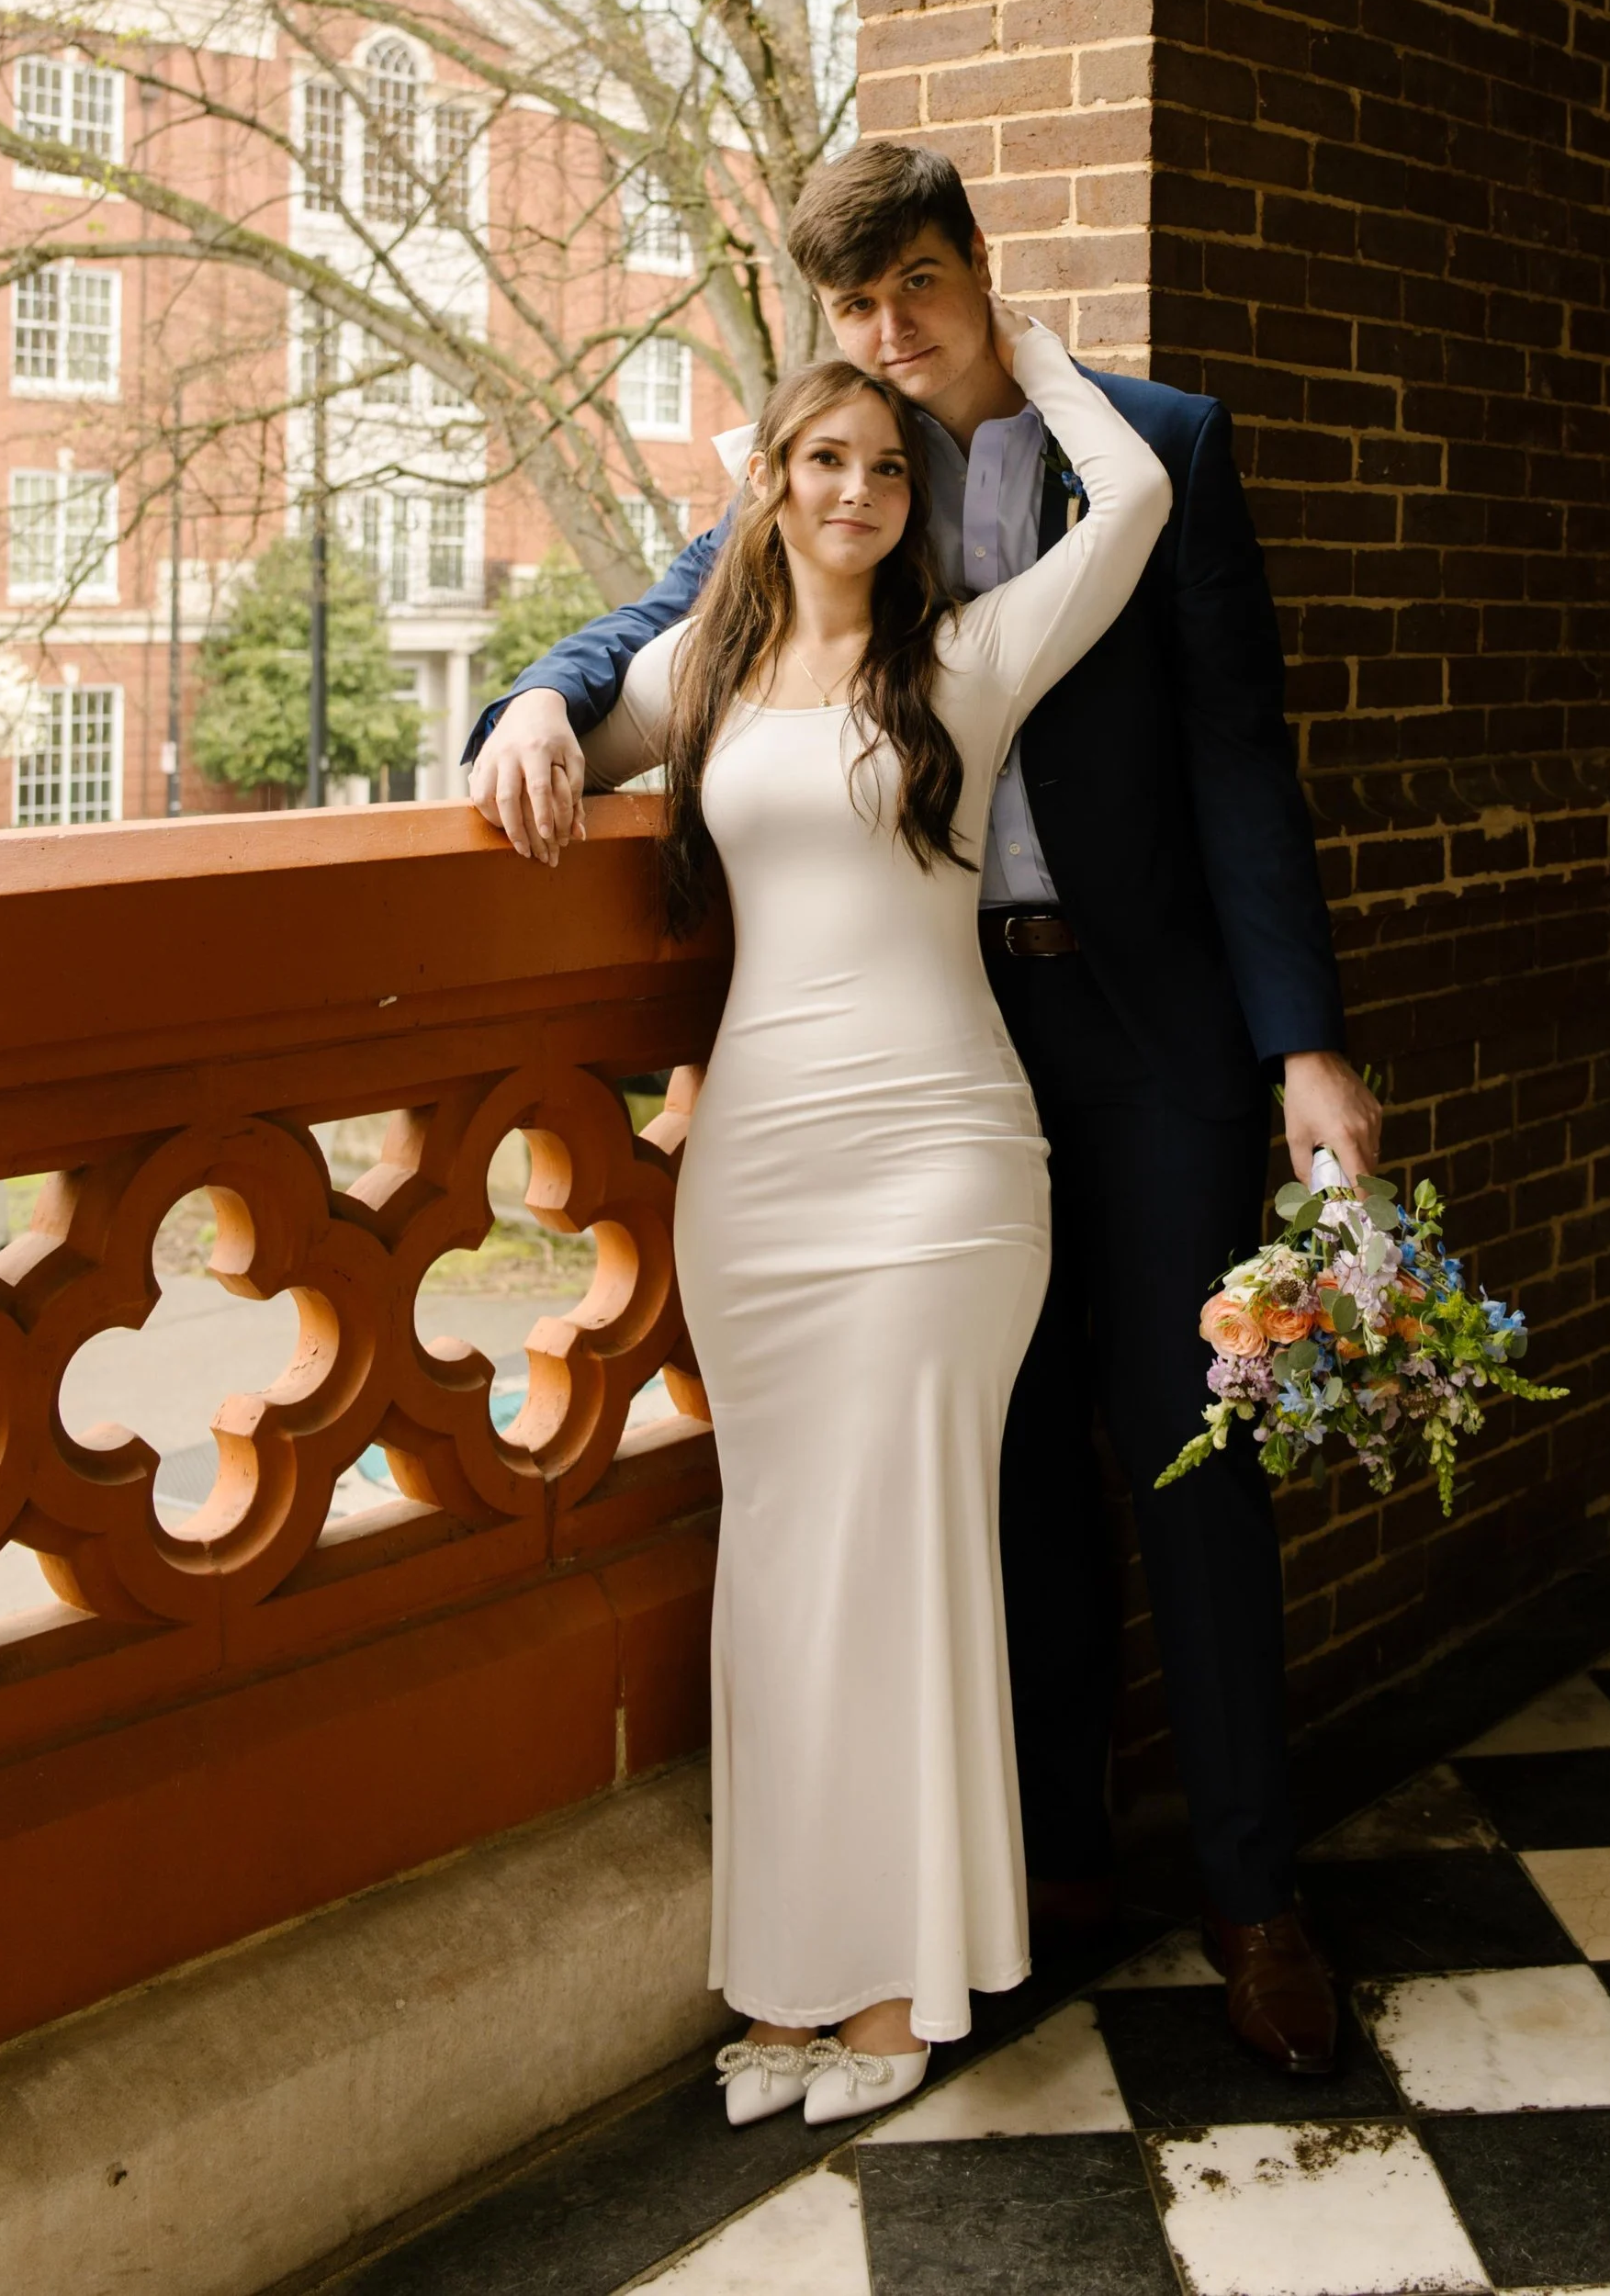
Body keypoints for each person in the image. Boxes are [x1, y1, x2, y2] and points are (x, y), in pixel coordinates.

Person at [467, 143, 1381, 2074]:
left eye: (917, 292)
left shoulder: (1152, 448)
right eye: (854, 313)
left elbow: (1236, 761)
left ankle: (1252, 1900)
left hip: (1126, 1035)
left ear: (976, 263)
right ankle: (1037, 1872)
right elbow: (666, 628)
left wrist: (1298, 1045)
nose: (890, 338)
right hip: (886, 1051)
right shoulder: (833, 459)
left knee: (1187, 1455)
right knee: (999, 1479)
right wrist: (537, 702)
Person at [569, 308, 1170, 2121]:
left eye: (884, 466)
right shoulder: (707, 672)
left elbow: (1131, 499)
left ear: (912, 504)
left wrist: (1023, 355)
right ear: (764, 484)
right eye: (820, 458)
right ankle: (792, 1978)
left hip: (940, 1167)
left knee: (904, 1569)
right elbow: (570, 726)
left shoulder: (970, 663)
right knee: (778, 1581)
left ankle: (908, 1986)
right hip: (756, 1176)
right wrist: (527, 704)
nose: (852, 488)